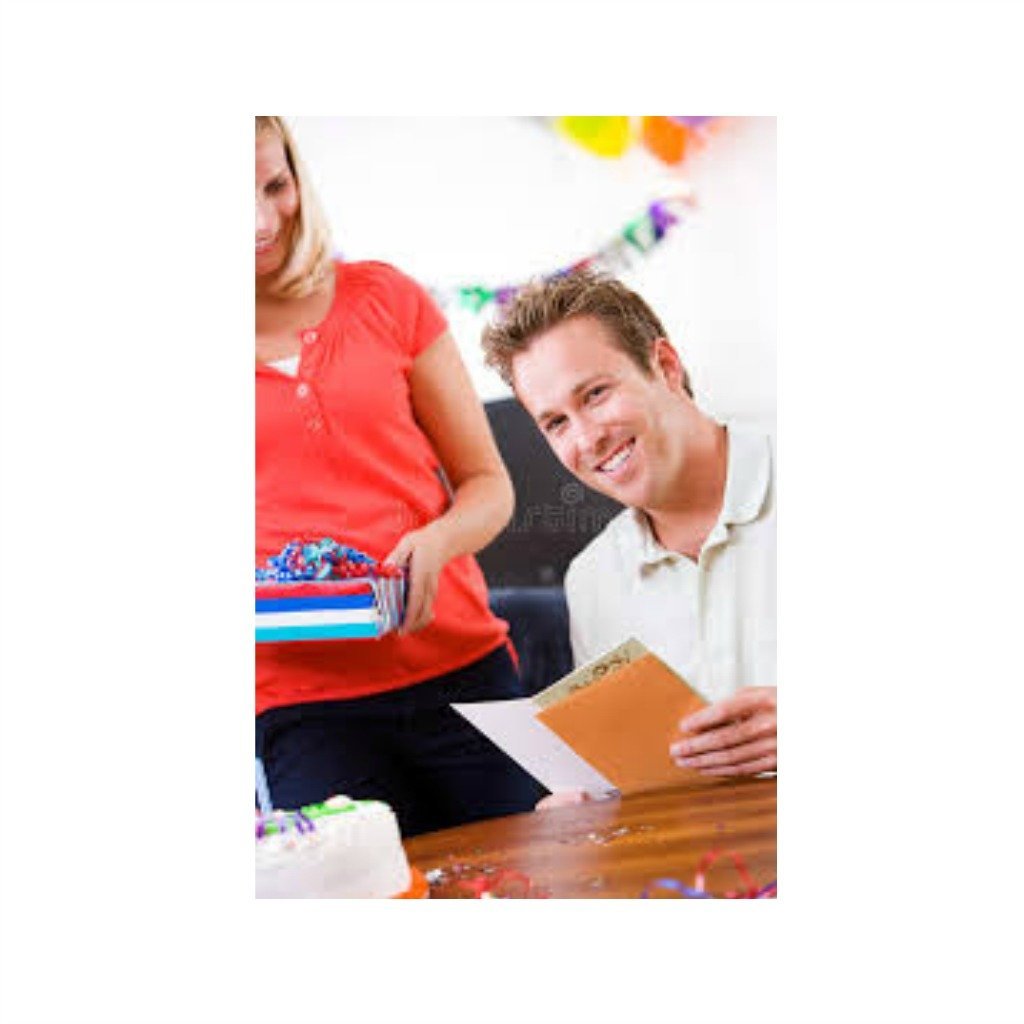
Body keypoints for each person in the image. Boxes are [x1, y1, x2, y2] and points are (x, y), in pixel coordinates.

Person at [255, 116, 545, 836]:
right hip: (303, 704)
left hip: (466, 671)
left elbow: (488, 485)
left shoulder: (385, 298)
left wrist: (438, 543)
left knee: (536, 876)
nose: (262, 221)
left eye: (275, 184)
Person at [481, 270, 776, 799]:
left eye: (595, 394)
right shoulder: (593, 581)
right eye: (556, 423)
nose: (588, 438)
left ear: (665, 366)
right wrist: (586, 805)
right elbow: (629, 781)